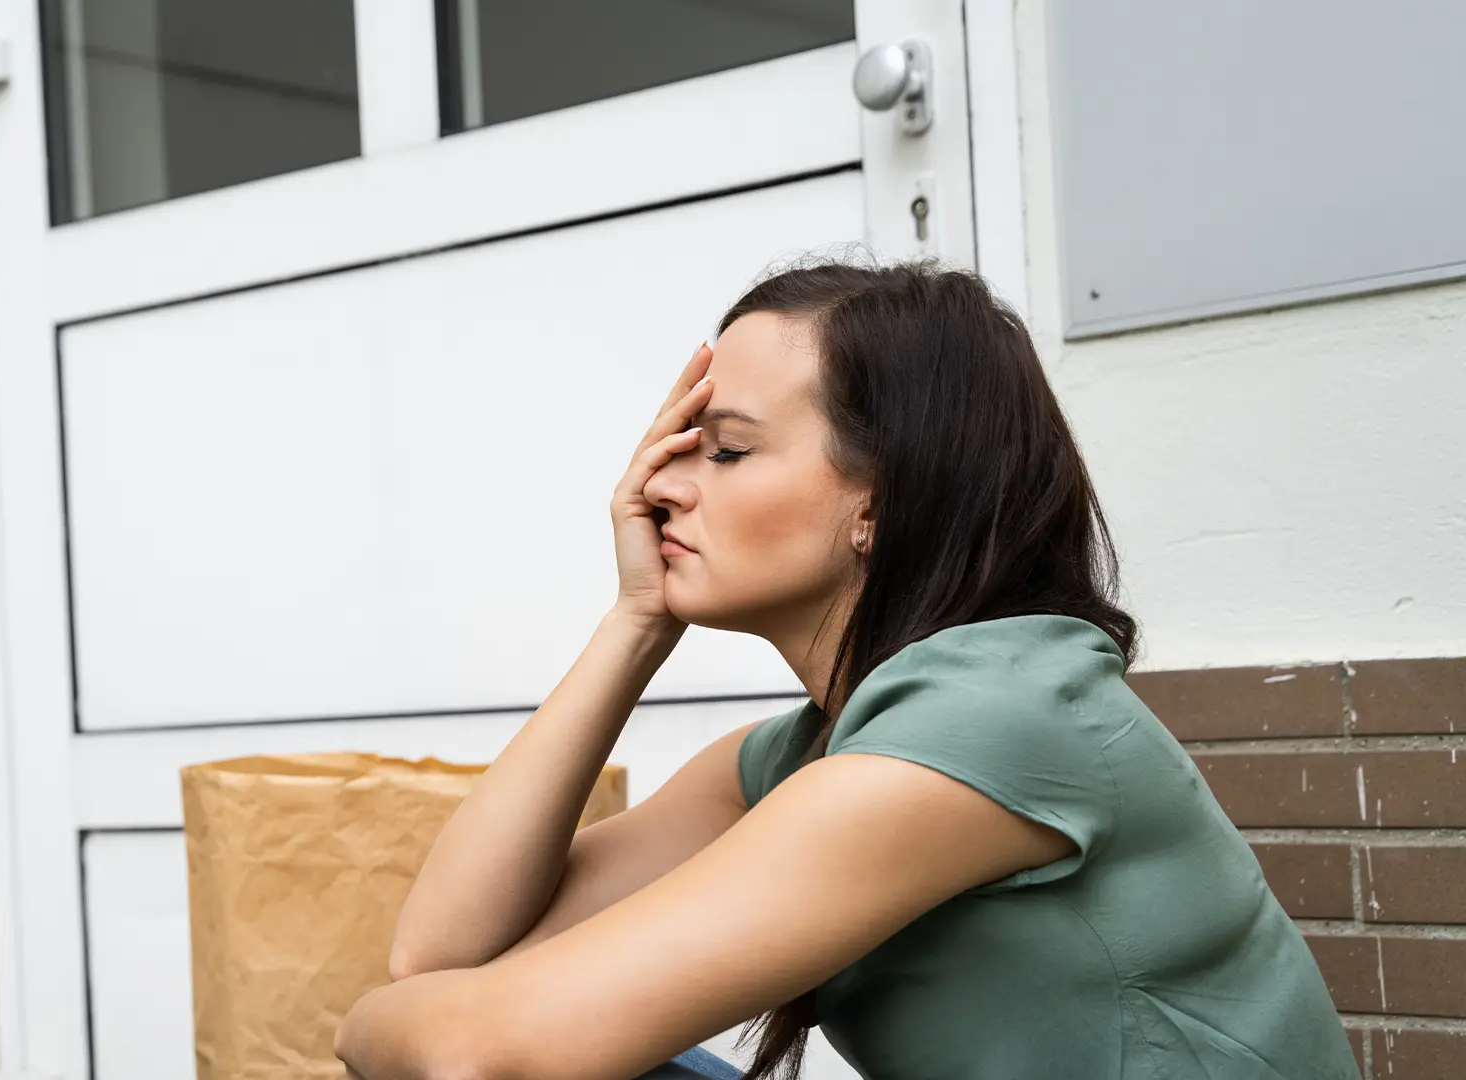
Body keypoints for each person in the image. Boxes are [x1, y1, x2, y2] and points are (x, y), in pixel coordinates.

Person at [333, 260, 1356, 1080]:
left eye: (725, 451)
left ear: (878, 501)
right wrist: (636, 620)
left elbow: (471, 1046)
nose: (660, 489)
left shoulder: (990, 725)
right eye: (677, 446)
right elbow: (441, 958)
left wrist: (381, 1029)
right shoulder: (808, 754)